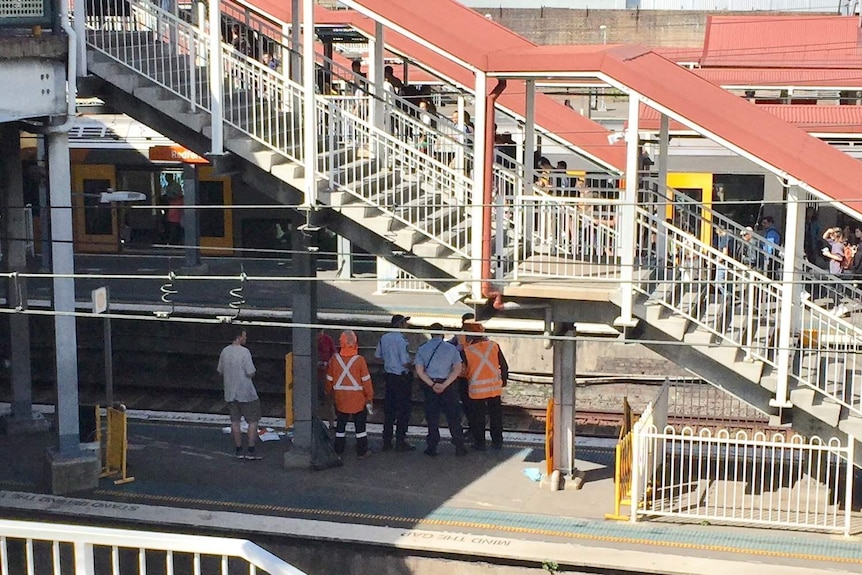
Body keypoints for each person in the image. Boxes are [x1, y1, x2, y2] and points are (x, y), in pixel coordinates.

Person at [415, 323, 468, 457]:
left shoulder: (423, 348)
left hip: (430, 386)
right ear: (442, 333)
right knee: (453, 417)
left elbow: (419, 371)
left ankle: (432, 446)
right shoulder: (451, 349)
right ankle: (459, 446)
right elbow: (457, 369)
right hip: (448, 386)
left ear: (431, 333)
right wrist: (445, 384)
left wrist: (432, 384)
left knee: (432, 417)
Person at [325, 330, 374, 458]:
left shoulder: (334, 360)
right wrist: (369, 397)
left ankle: (339, 450)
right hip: (358, 399)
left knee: (340, 425)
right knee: (360, 427)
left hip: (340, 398)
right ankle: (362, 451)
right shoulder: (359, 360)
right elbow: (366, 381)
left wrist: (328, 392)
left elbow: (329, 379)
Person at [462, 322, 508, 451]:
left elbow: (462, 371)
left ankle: (480, 444)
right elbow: (504, 366)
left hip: (476, 390)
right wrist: (503, 381)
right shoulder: (494, 346)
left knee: (478, 418)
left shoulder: (467, 351)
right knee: (496, 416)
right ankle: (497, 442)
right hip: (494, 388)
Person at [217, 328, 262, 460]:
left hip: (230, 392)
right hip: (246, 393)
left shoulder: (225, 351)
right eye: (244, 336)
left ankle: (238, 449)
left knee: (235, 421)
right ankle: (251, 449)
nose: (246, 338)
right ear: (239, 337)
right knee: (253, 420)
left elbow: (220, 370)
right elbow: (250, 372)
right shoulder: (244, 352)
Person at [375, 314, 415, 451]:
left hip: (389, 377)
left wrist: (390, 363)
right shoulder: (401, 340)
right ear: (400, 324)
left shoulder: (384, 338)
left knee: (389, 410)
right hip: (402, 378)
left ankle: (386, 441)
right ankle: (400, 441)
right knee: (403, 411)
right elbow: (405, 361)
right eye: (405, 323)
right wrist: (415, 367)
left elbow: (378, 356)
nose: (407, 325)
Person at [449, 312, 477, 442]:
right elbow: (450, 346)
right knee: (467, 404)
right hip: (464, 376)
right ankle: (472, 429)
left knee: (473, 405)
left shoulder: (480, 337)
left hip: (474, 376)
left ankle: (474, 430)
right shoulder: (460, 337)